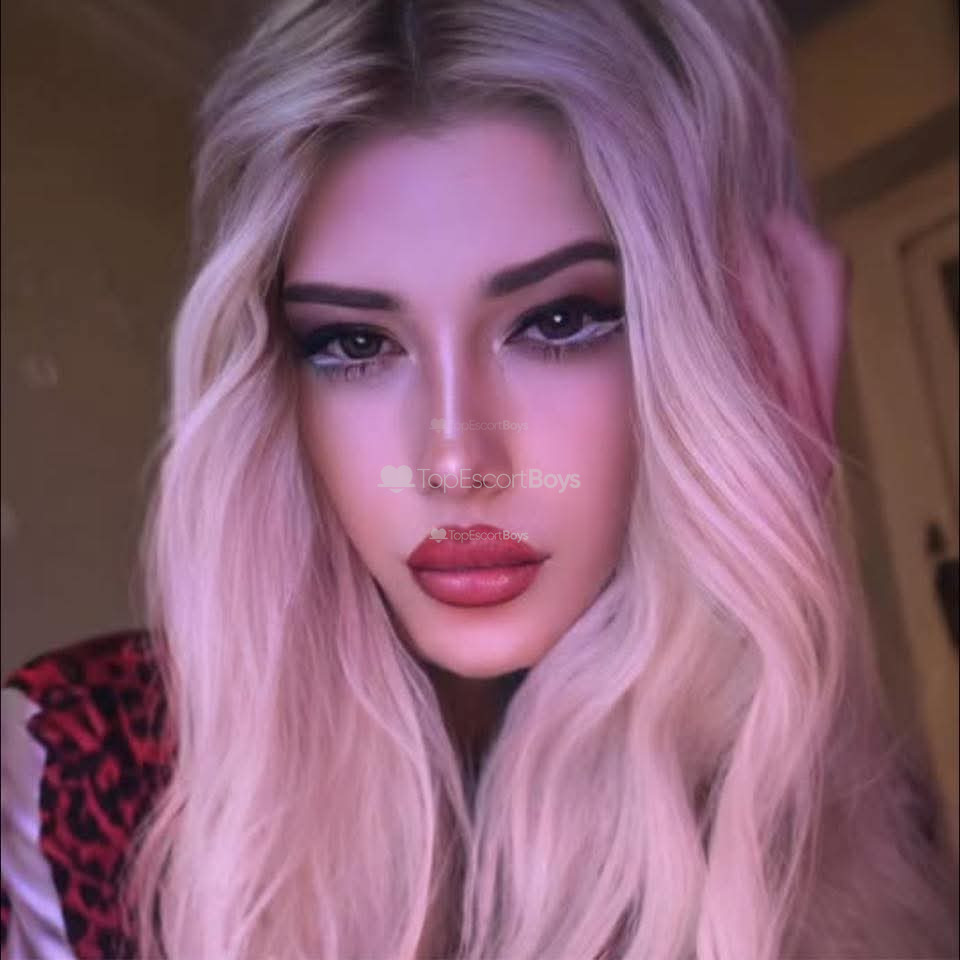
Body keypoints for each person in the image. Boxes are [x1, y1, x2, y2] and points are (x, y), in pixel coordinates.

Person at [2, 0, 958, 957]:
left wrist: (755, 531)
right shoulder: (71, 770)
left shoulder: (862, 819)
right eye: (354, 343)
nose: (456, 462)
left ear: (699, 353)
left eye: (557, 322)